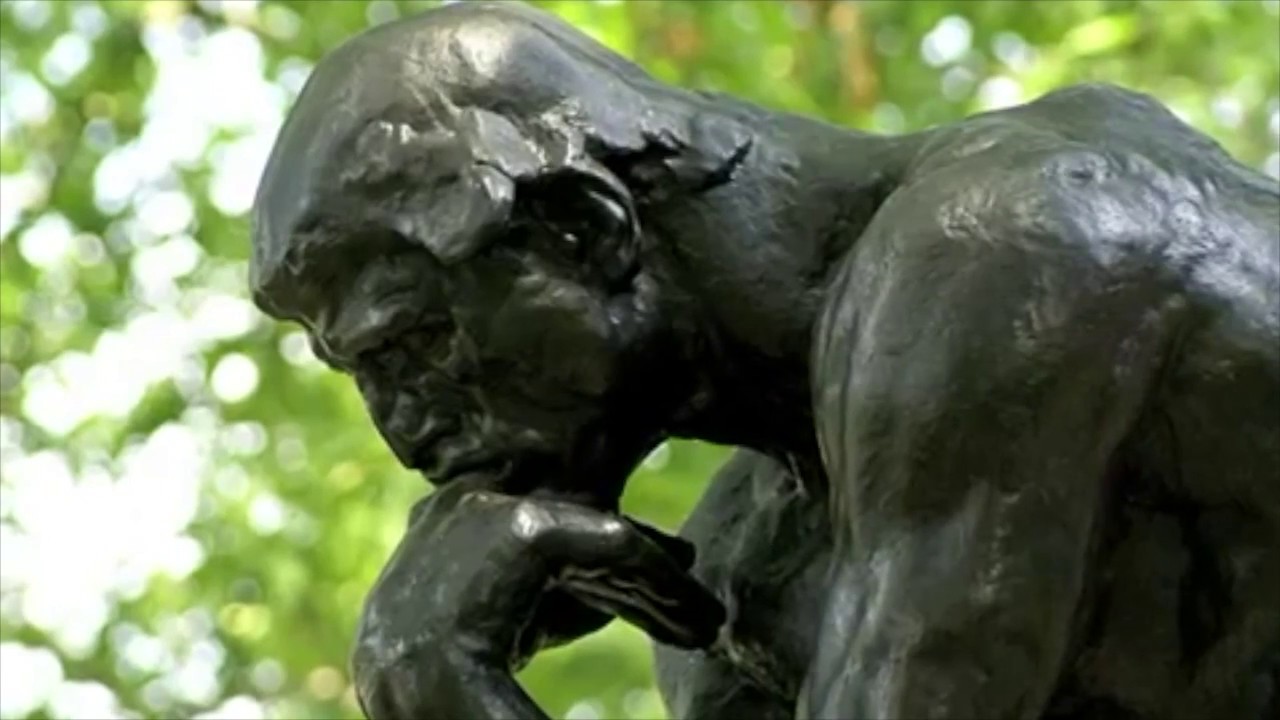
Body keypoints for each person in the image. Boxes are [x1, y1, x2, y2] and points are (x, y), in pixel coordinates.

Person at [250, 3, 1280, 718]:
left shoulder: (1005, 251)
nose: (402, 431)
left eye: (414, 346)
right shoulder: (744, 572)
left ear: (584, 229)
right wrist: (442, 680)